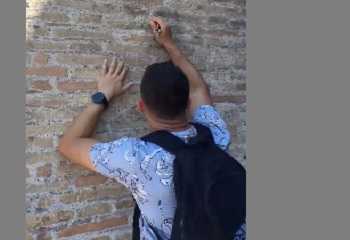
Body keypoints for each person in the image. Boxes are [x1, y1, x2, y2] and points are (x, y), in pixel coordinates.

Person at [59, 17, 245, 240]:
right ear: (187, 104)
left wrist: (103, 95)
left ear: (141, 107)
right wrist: (169, 44)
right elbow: (198, 88)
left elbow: (69, 144)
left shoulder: (135, 157)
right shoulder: (214, 134)